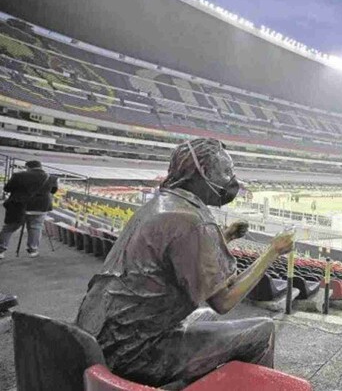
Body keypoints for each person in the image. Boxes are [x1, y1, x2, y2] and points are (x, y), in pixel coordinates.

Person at [75, 138, 294, 387]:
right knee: (262, 331)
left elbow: (180, 258)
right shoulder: (194, 221)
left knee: (204, 317)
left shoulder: (160, 205)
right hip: (135, 353)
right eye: (225, 173)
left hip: (99, 339)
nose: (231, 180)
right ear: (198, 174)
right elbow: (224, 301)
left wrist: (226, 236)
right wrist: (273, 251)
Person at [0, 160, 58, 258]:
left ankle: (1, 250)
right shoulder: (52, 178)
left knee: (9, 227)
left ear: (27, 167)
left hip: (19, 206)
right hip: (41, 207)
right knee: (36, 227)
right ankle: (33, 250)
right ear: (41, 167)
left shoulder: (18, 176)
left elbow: (7, 189)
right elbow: (53, 191)